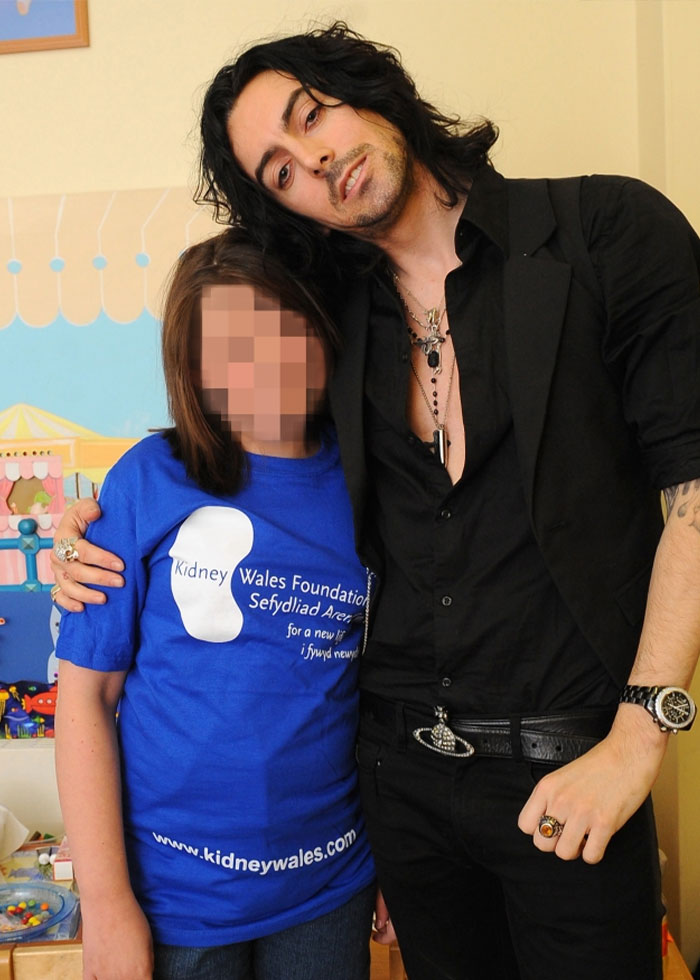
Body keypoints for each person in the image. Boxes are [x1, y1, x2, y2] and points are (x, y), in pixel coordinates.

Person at [51, 22, 700, 980]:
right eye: (279, 172)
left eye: (311, 114)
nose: (313, 159)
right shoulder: (337, 312)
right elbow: (228, 425)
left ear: (365, 87)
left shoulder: (606, 231)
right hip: (399, 800)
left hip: (571, 773)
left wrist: (641, 737)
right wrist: (88, 527)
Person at [53, 228, 378, 980]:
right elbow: (85, 699)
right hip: (173, 900)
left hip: (329, 887)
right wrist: (105, 902)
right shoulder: (147, 481)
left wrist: (396, 854)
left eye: (283, 327)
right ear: (194, 370)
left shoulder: (369, 482)